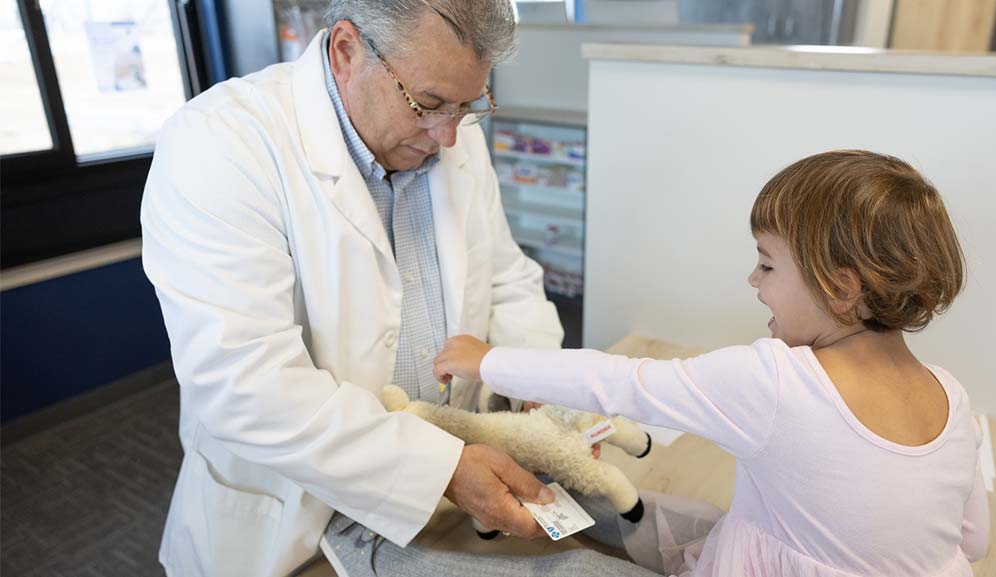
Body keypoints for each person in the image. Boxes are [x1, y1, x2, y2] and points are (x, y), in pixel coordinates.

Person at [139, 1, 650, 575]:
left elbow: (507, 278)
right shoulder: (220, 144)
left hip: (457, 487)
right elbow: (245, 384)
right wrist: (440, 468)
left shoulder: (449, 132)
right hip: (306, 517)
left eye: (468, 105)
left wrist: (542, 385)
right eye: (429, 104)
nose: (449, 135)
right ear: (346, 52)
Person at [436, 150, 991, 577]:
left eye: (767, 265)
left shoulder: (776, 381)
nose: (753, 281)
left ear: (840, 289)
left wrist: (487, 361)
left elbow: (616, 382)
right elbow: (973, 541)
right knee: (677, 516)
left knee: (579, 563)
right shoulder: (952, 395)